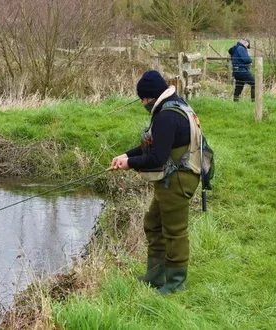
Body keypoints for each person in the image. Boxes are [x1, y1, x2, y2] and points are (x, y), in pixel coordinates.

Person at [110, 70, 202, 295]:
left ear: (150, 96)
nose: (142, 102)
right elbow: (155, 144)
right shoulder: (172, 104)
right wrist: (126, 155)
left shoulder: (166, 116)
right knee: (153, 222)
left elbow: (157, 158)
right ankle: (156, 273)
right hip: (172, 176)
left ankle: (175, 283)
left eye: (143, 98)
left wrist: (130, 164)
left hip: (179, 179)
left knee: (175, 231)